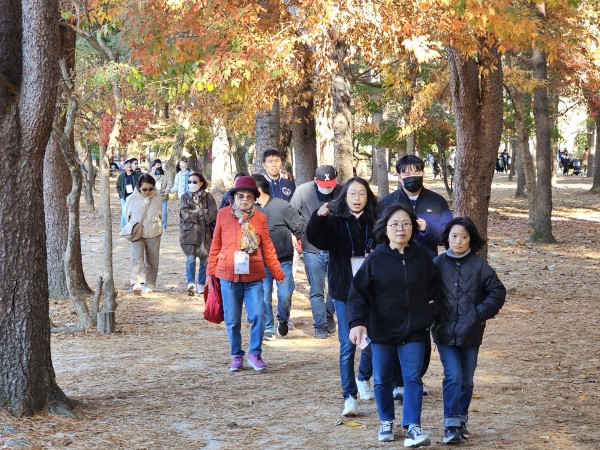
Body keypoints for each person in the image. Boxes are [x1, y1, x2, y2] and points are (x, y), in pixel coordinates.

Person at [347, 204, 441, 447]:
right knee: (381, 379)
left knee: (413, 378)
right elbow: (357, 294)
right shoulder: (376, 259)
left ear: (413, 227)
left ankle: (413, 426)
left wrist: (430, 313)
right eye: (395, 224)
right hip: (382, 331)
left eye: (406, 224)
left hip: (414, 331)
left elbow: (436, 291)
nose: (401, 229)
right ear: (385, 228)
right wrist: (357, 322)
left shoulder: (422, 257)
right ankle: (386, 421)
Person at [381, 154, 452, 399]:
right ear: (398, 175)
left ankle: (416, 377)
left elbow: (447, 234)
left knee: (422, 326)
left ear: (423, 173)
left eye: (416, 171)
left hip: (426, 271)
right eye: (406, 173)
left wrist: (426, 228)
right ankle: (397, 380)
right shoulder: (388, 201)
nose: (412, 177)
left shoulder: (437, 201)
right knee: (395, 323)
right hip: (394, 272)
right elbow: (378, 232)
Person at [306, 177, 378, 417]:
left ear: (367, 197)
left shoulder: (377, 220)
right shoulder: (335, 220)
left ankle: (363, 377)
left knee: (373, 340)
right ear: (344, 197)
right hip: (343, 290)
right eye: (352, 194)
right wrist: (319, 216)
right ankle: (349, 396)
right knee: (347, 345)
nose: (357, 199)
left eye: (361, 194)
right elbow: (316, 239)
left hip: (372, 290)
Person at [432, 217, 506, 444]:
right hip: (444, 331)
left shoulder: (480, 266)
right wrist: (432, 312)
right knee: (453, 376)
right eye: (454, 236)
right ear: (447, 237)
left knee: (466, 380)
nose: (459, 241)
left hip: (471, 332)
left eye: (464, 237)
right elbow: (422, 291)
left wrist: (479, 313)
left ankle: (461, 419)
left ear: (471, 239)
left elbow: (497, 292)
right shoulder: (436, 264)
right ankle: (450, 424)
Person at [207, 176, 285, 372]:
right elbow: (215, 244)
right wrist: (210, 272)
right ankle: (236, 355)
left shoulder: (260, 218)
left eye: (249, 196)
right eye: (240, 196)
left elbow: (267, 247)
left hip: (254, 275)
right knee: (232, 319)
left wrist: (278, 274)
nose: (244, 199)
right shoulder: (223, 214)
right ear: (234, 197)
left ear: (254, 198)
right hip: (228, 275)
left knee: (259, 313)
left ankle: (254, 353)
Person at [290, 165, 341, 338]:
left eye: (330, 184)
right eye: (323, 184)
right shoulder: (302, 191)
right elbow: (292, 214)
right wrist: (299, 234)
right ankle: (319, 326)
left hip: (336, 249)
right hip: (312, 250)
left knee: (335, 287)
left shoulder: (342, 191)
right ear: (315, 180)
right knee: (317, 290)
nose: (327, 187)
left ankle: (328, 314)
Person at [252, 174, 304, 340]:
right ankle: (268, 326)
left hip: (283, 261)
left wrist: (298, 241)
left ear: (258, 190)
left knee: (285, 295)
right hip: (261, 263)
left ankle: (283, 319)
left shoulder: (282, 206)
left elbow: (298, 226)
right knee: (264, 296)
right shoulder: (250, 210)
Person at [124, 174, 163, 294]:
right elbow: (126, 216)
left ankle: (150, 284)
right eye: (144, 189)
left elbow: (160, 214)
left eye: (150, 189)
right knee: (137, 257)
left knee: (153, 260)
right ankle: (137, 282)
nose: (147, 192)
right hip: (137, 232)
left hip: (154, 231)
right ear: (139, 187)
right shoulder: (131, 199)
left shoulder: (157, 198)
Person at [179, 172, 217, 296]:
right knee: (190, 258)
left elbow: (212, 215)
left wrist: (194, 213)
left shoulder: (209, 197)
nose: (191, 184)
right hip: (189, 233)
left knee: (204, 260)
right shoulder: (185, 196)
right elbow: (184, 214)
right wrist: (201, 211)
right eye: (189, 182)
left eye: (194, 182)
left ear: (201, 183)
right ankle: (191, 282)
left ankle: (201, 283)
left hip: (205, 233)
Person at [116, 158, 141, 227]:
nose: (129, 165)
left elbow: (140, 184)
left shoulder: (137, 175)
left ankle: (132, 227)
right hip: (124, 197)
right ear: (124, 166)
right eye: (127, 164)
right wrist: (121, 195)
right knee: (125, 211)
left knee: (134, 212)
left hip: (134, 197)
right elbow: (118, 187)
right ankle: (124, 227)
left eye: (130, 164)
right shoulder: (121, 176)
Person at [150, 159, 172, 231]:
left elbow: (169, 183)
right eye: (157, 165)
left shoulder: (167, 173)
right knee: (154, 212)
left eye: (160, 165)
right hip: (154, 196)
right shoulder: (151, 174)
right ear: (154, 166)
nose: (159, 166)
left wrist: (167, 190)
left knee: (164, 212)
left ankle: (163, 226)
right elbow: (149, 184)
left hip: (163, 196)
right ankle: (155, 225)